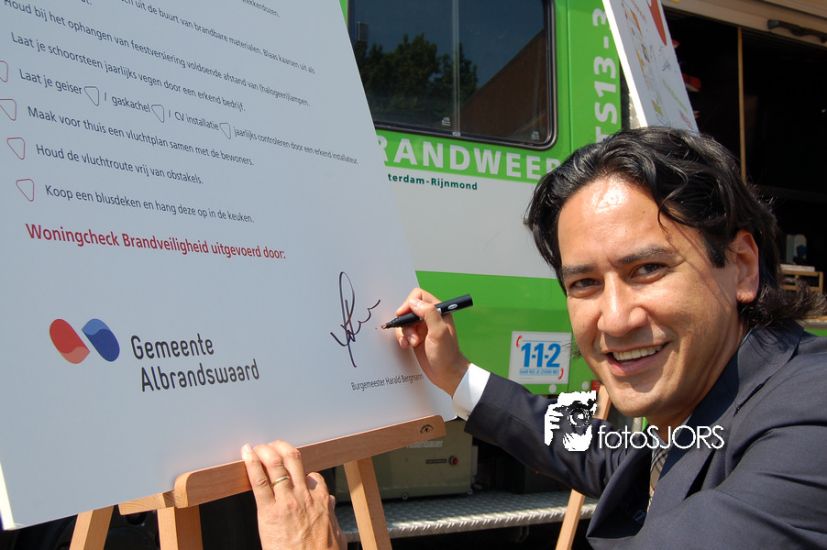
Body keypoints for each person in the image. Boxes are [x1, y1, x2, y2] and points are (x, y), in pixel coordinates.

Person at [394, 127, 827, 548]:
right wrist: (456, 374)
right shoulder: (710, 405)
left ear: (742, 267)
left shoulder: (810, 413)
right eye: (584, 283)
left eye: (648, 269)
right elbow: (607, 455)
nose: (615, 321)